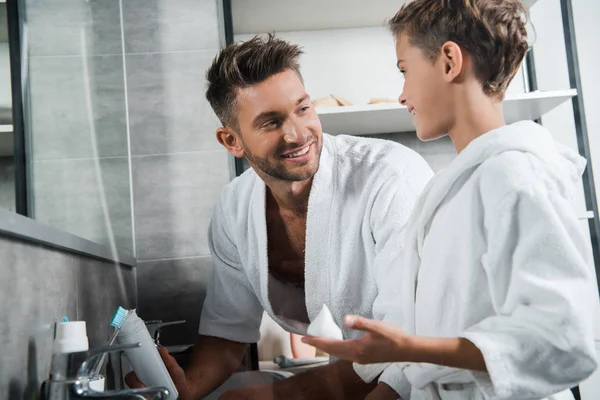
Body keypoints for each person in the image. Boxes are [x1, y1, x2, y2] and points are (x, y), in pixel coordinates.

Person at [303, 1, 599, 399]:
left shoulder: (515, 176)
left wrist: (411, 349)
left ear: (448, 62)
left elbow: (565, 341)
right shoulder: (452, 188)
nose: (402, 94)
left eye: (404, 71)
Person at [126, 34, 433, 399]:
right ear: (231, 141)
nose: (297, 134)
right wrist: (188, 388)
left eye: (303, 109)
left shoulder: (391, 178)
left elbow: (413, 335)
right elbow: (226, 333)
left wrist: (284, 395)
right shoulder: (234, 208)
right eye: (270, 123)